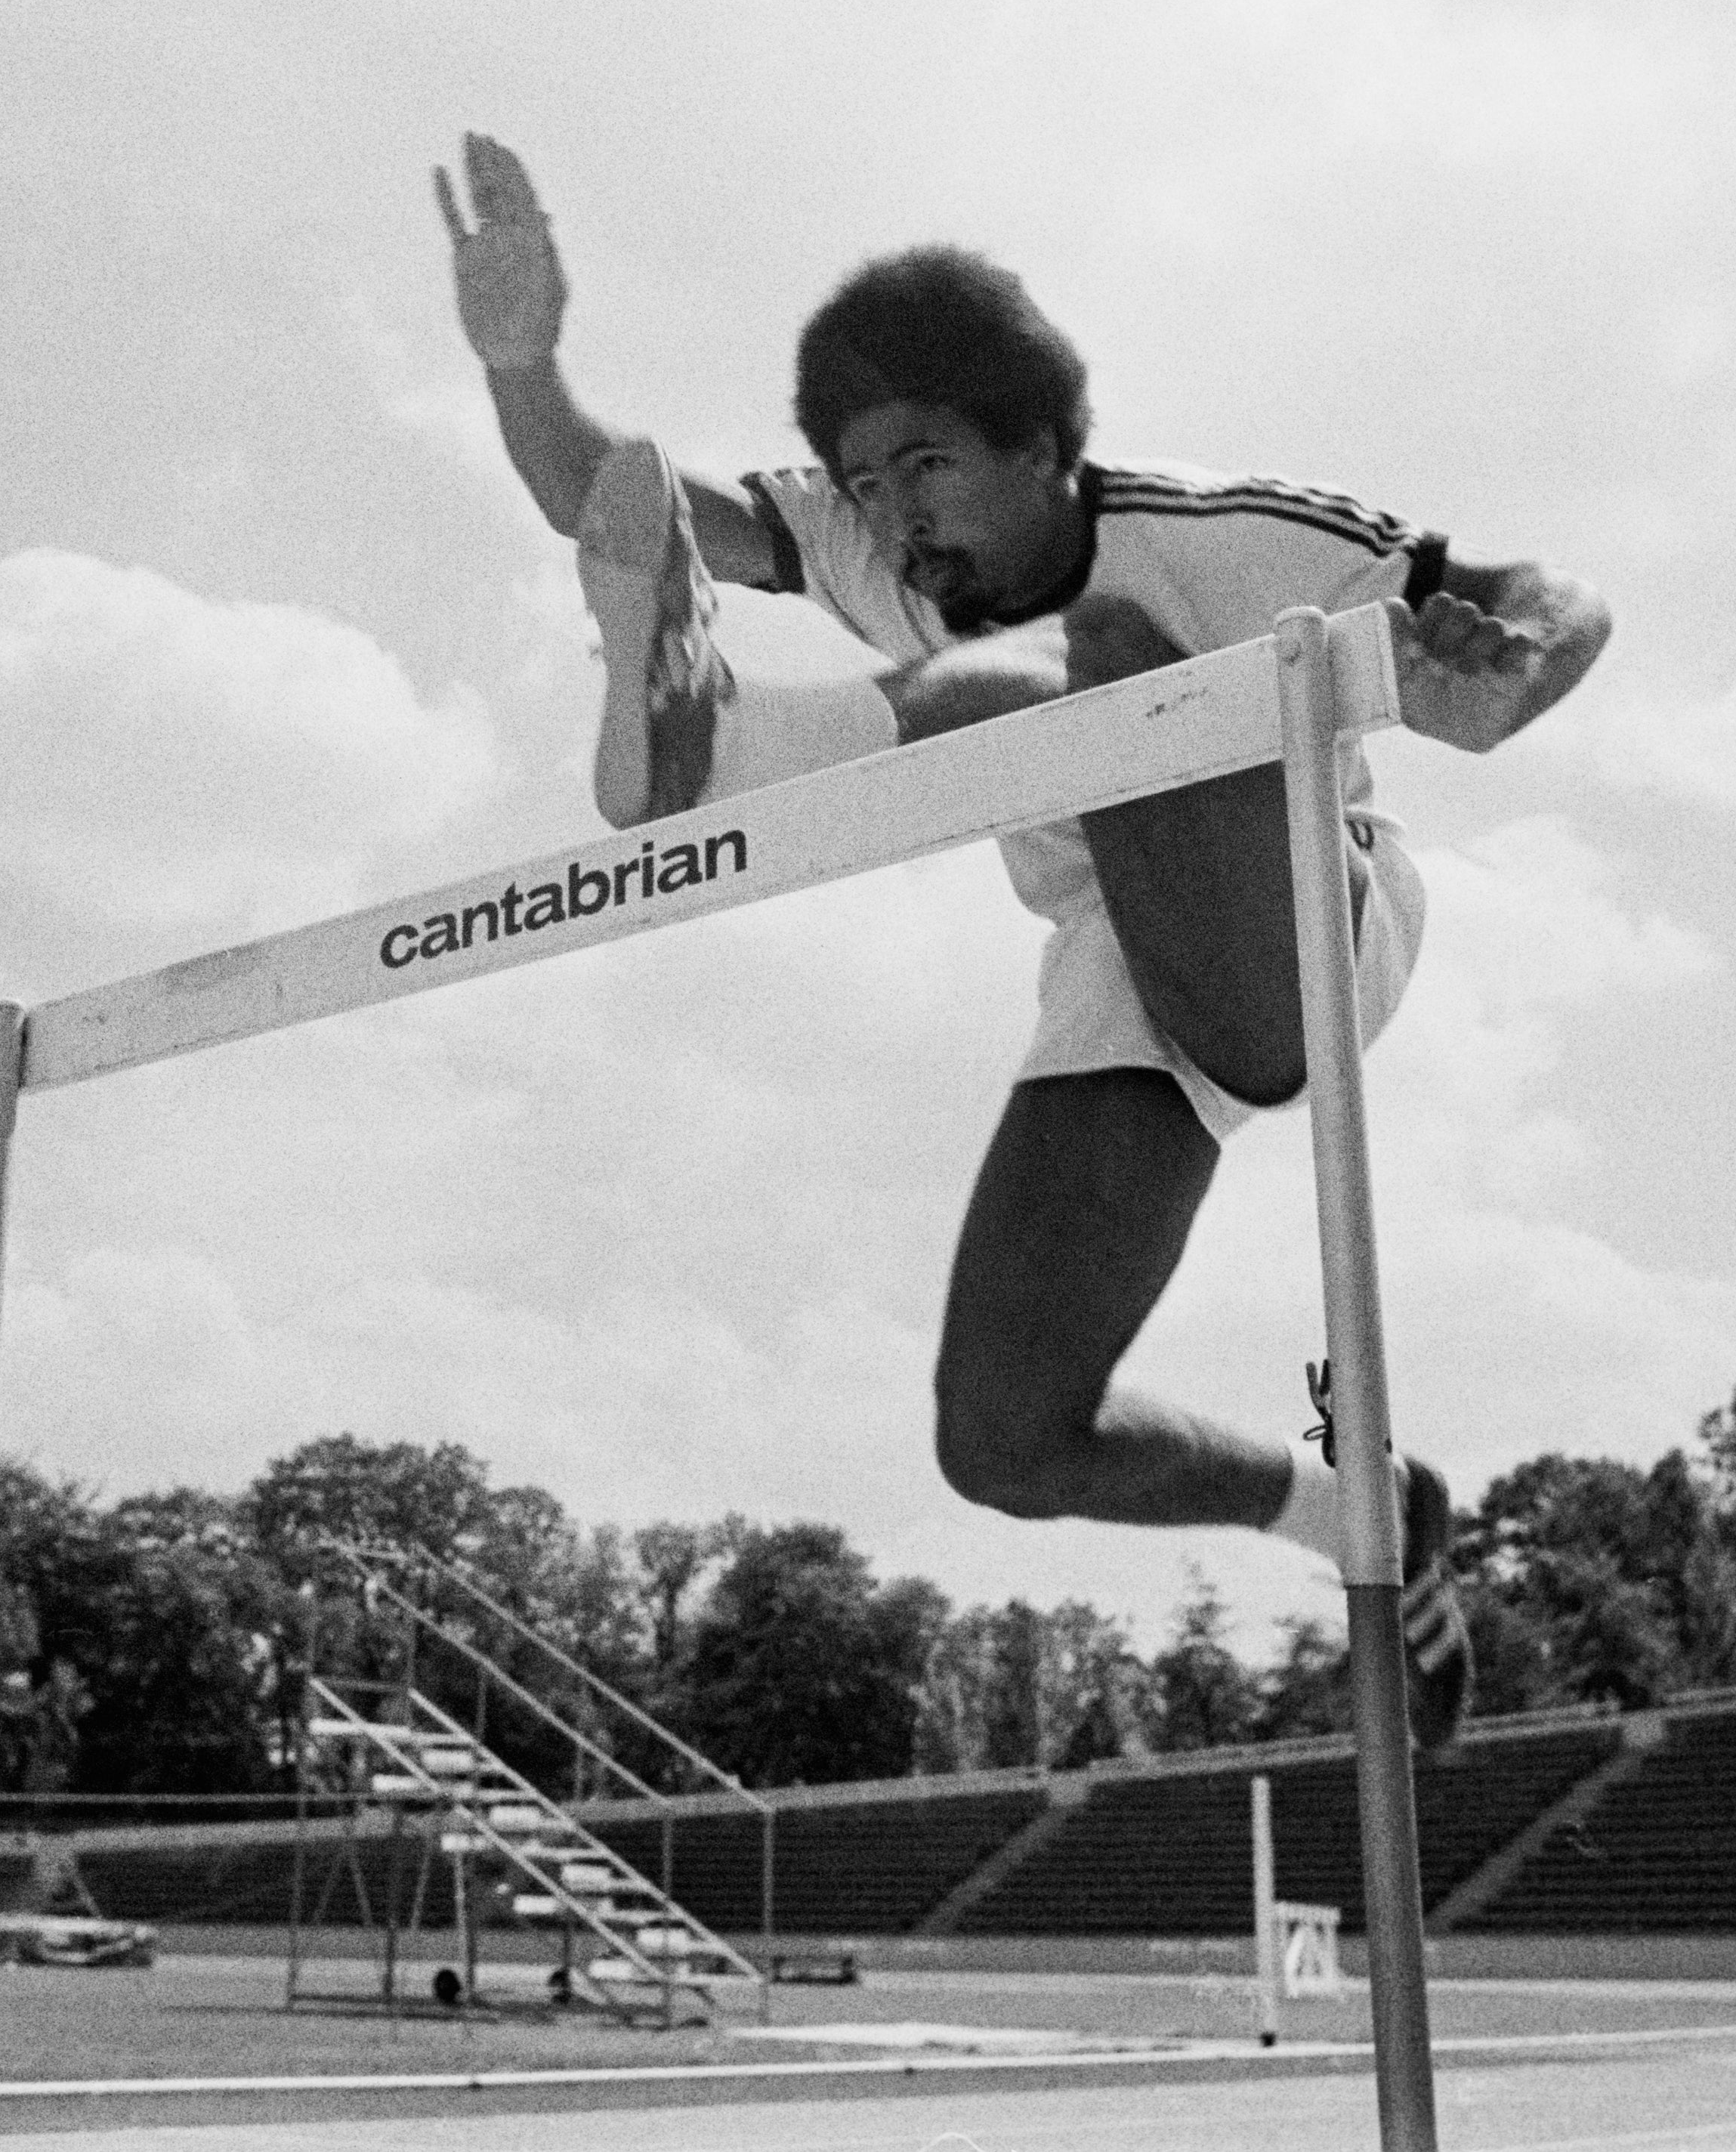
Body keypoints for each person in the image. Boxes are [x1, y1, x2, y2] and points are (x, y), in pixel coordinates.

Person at [431, 134, 1612, 1747]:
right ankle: (1352, 1513)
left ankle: (734, 737)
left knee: (1109, 648)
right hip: (1114, 949)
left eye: (924, 466)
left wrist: (1509, 670)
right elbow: (607, 495)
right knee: (1001, 1434)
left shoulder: (1223, 532)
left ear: (1048, 444)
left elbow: (1550, 590)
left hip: (1294, 902)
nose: (891, 521)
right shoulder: (862, 547)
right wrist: (522, 358)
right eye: (858, 484)